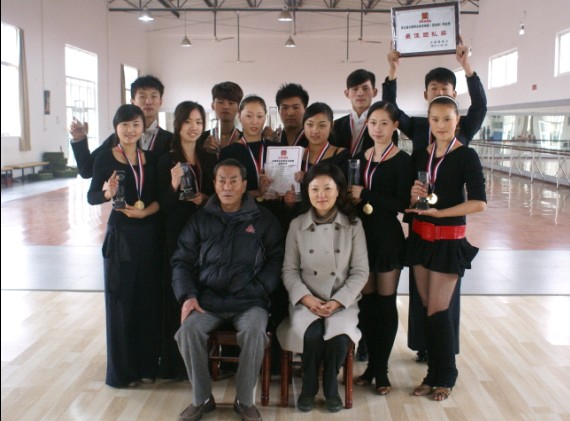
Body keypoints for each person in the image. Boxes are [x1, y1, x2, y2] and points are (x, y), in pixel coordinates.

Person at [382, 40, 487, 362]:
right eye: (433, 88)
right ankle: (423, 348)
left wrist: (467, 66)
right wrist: (392, 72)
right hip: (421, 223)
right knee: (422, 297)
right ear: (426, 96)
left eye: (445, 88)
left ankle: (443, 360)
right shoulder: (417, 128)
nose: (440, 125)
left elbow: (480, 106)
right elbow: (391, 109)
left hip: (448, 227)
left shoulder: (463, 134)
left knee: (443, 302)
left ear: (455, 98)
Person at [172, 158, 284, 421]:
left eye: (234, 181)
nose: (227, 186)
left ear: (244, 185)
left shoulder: (263, 219)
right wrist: (188, 295)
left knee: (254, 332)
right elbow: (181, 260)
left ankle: (244, 401)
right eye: (222, 180)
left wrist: (259, 288)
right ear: (214, 184)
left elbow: (277, 259)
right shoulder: (200, 219)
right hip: (208, 300)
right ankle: (202, 399)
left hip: (250, 301)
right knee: (187, 331)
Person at [406, 95, 487, 401]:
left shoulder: (466, 155)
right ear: (429, 122)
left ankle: (447, 375)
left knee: (439, 311)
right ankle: (432, 374)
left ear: (457, 122)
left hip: (448, 239)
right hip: (420, 237)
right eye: (435, 119)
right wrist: (414, 196)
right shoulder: (420, 155)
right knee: (428, 309)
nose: (441, 125)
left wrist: (441, 213)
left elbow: (479, 203)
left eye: (447, 119)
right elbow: (414, 200)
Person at [276, 162, 368, 413]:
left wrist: (338, 301)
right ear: (307, 192)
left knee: (339, 337)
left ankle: (330, 386)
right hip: (306, 301)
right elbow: (289, 270)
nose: (321, 195)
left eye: (328, 188)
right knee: (312, 333)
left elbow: (360, 272)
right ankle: (308, 386)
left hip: (342, 301)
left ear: (339, 191)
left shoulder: (354, 225)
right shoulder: (297, 225)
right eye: (315, 189)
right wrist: (306, 299)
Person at [87, 104, 162, 387]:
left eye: (135, 125)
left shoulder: (151, 158)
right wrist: (107, 193)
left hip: (149, 235)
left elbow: (159, 197)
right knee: (120, 304)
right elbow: (92, 196)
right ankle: (121, 373)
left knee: (146, 303)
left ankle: (145, 366)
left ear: (143, 128)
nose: (130, 130)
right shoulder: (105, 158)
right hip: (121, 237)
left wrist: (146, 212)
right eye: (125, 125)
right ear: (116, 128)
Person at [349, 101, 413, 395]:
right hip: (360, 237)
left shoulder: (402, 161)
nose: (377, 128)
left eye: (384, 123)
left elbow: (401, 204)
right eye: (373, 123)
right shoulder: (358, 158)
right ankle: (371, 367)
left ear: (395, 126)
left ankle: (382, 370)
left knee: (386, 305)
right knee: (367, 305)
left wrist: (365, 194)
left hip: (387, 237)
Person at [157, 101, 217, 380]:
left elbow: (218, 198)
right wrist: (172, 185)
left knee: (202, 293)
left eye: (198, 122)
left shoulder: (208, 158)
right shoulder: (166, 159)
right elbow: (162, 206)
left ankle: (204, 363)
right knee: (176, 294)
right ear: (178, 124)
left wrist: (204, 199)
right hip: (176, 233)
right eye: (188, 121)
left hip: (205, 234)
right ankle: (174, 365)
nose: (193, 127)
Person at [70, 75, 173, 179]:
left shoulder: (171, 140)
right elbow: (86, 170)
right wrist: (79, 139)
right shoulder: (117, 138)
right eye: (142, 96)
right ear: (132, 102)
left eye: (153, 96)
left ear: (160, 102)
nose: (148, 101)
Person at [297, 102, 349, 181]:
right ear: (303, 125)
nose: (315, 131)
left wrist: (307, 178)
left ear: (331, 126)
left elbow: (343, 186)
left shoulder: (342, 155)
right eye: (310, 125)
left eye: (322, 125)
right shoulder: (296, 155)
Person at [332, 69, 378, 157]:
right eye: (355, 89)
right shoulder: (335, 126)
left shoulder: (384, 125)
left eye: (365, 88)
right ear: (347, 93)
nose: (360, 93)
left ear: (374, 92)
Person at [198, 81, 244, 154]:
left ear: (238, 108)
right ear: (212, 105)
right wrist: (202, 151)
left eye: (231, 103)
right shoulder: (200, 138)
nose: (226, 107)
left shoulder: (245, 139)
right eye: (221, 102)